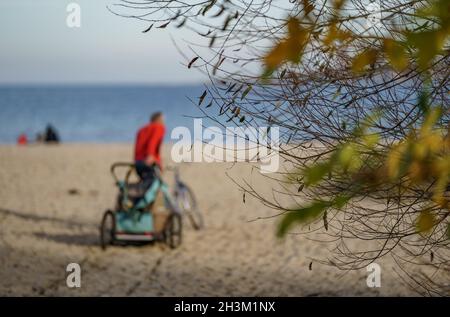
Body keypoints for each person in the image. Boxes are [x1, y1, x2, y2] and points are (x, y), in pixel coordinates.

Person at [134, 112, 165, 184]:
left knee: (145, 185)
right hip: (148, 162)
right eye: (162, 120)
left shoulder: (141, 130)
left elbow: (137, 148)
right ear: (158, 120)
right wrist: (150, 156)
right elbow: (153, 142)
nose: (163, 122)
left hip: (137, 163)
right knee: (155, 183)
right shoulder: (159, 127)